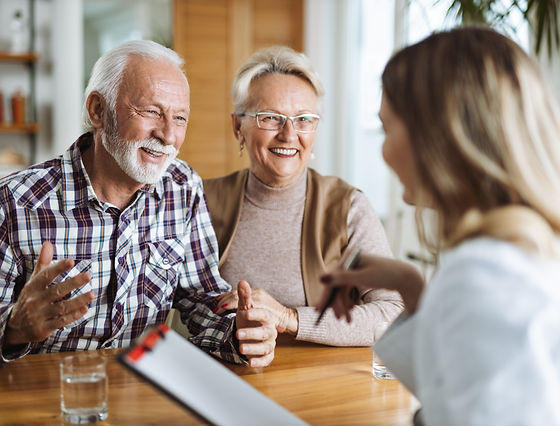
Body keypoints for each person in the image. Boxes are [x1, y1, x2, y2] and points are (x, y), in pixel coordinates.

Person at [318, 27, 560, 424]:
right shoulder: (518, 256)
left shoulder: (486, 277)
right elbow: (454, 389)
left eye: (387, 128)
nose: (384, 150)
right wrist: (413, 290)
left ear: (436, 135)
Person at [0, 40, 277, 367]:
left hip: (141, 392)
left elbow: (202, 301)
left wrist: (240, 334)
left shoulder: (182, 188)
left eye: (180, 118)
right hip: (42, 398)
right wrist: (14, 329)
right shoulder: (14, 203)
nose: (168, 135)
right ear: (98, 111)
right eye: (151, 112)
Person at [205, 46, 403, 346]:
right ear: (237, 127)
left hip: (320, 386)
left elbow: (394, 313)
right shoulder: (199, 201)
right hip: (229, 378)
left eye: (304, 119)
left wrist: (289, 318)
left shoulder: (348, 207)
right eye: (271, 117)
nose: (288, 134)